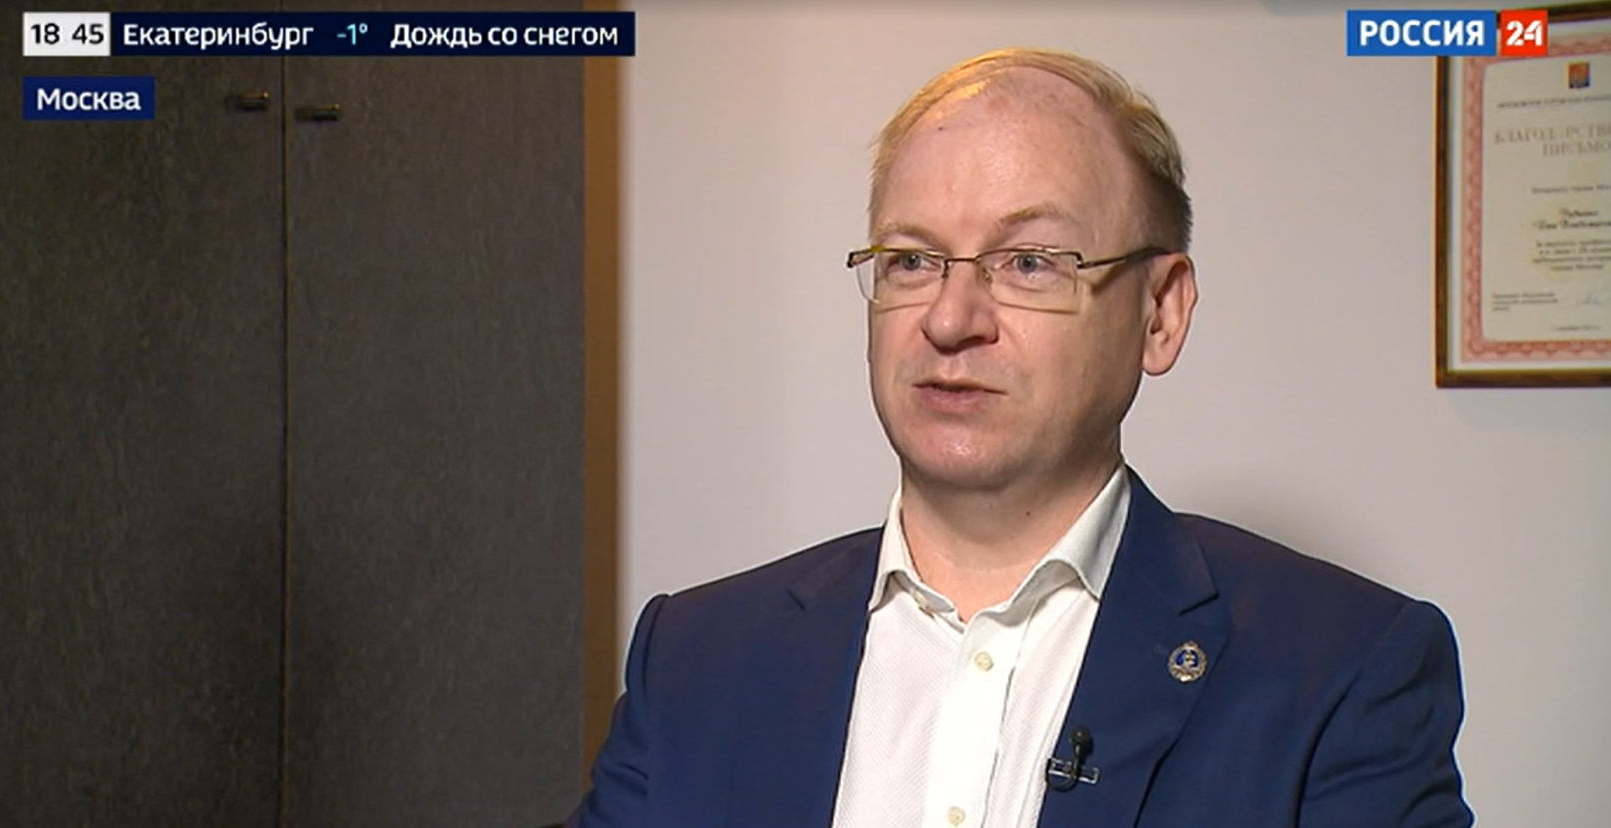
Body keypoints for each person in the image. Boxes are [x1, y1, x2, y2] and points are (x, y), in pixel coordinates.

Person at [568, 46, 1473, 828]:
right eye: (912, 260)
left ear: (1161, 313)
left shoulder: (1343, 669)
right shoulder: (695, 657)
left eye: (1029, 263)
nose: (950, 318)